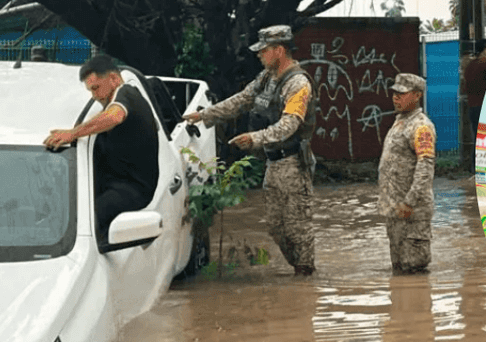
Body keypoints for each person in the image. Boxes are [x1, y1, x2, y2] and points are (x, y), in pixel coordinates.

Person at [182, 25, 318, 276]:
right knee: (275, 227)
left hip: (293, 164)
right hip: (273, 163)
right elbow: (241, 100)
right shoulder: (266, 78)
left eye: (264, 50)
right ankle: (300, 272)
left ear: (279, 50)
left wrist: (255, 138)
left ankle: (305, 278)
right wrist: (204, 115)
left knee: (298, 228)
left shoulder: (298, 84)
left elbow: (289, 125)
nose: (259, 55)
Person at [44, 55, 160, 248]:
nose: (94, 95)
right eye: (90, 90)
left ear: (113, 79)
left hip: (132, 189)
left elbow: (113, 117)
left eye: (96, 88)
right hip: (114, 181)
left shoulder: (126, 94)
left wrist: (72, 134)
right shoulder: (118, 100)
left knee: (87, 220)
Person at [379, 73, 436, 274]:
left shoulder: (421, 126)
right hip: (396, 210)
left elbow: (425, 167)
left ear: (417, 95)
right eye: (394, 93)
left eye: (402, 94)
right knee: (399, 271)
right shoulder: (400, 122)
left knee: (414, 270)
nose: (396, 97)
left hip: (412, 211)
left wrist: (409, 202)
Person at [463, 39, 486, 142]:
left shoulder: (470, 66)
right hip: (485, 107)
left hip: (473, 107)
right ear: (482, 52)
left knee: (477, 138)